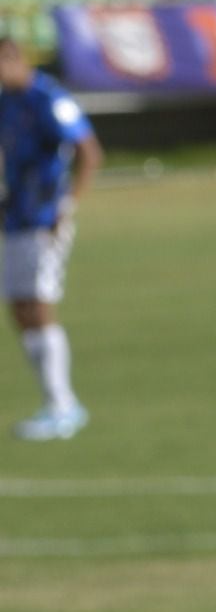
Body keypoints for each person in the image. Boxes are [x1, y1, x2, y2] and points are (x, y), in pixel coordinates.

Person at [0, 35, 102, 441]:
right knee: (19, 308)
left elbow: (89, 150)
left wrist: (68, 204)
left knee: (39, 306)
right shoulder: (5, 102)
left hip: (45, 217)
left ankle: (63, 405)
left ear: (13, 57)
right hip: (15, 216)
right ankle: (53, 402)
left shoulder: (48, 97)